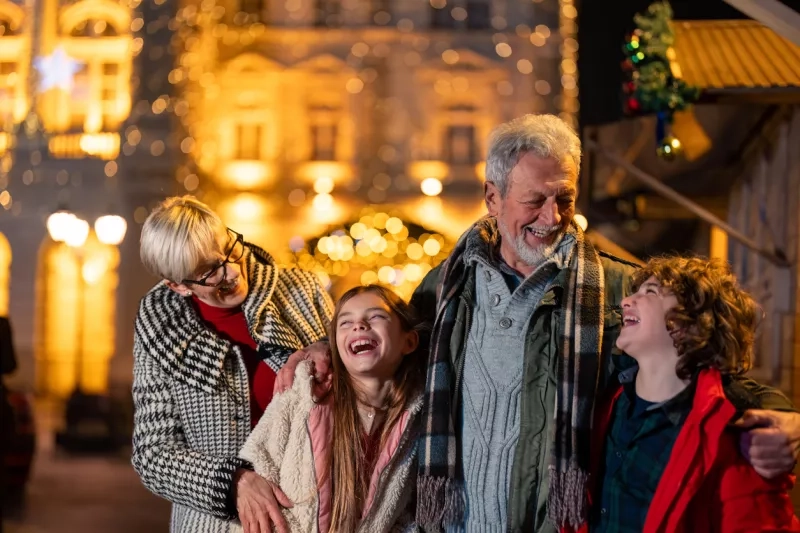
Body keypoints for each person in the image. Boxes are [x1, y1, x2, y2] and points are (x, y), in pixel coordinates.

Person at [405, 114, 800, 533]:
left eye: (565, 199)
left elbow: (706, 370)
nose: (552, 217)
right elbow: (394, 385)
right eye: (534, 200)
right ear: (493, 198)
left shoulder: (620, 288)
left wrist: (788, 418)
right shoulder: (443, 288)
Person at [131, 196, 332, 533]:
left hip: (318, 517)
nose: (232, 272)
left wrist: (324, 348)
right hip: (215, 525)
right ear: (178, 285)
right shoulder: (159, 328)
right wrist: (233, 483)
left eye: (229, 249)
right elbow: (152, 453)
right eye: (209, 271)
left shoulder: (301, 290)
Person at [584, 256, 799, 532]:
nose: (626, 301)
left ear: (692, 324)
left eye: (650, 292)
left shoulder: (731, 438)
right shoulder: (610, 399)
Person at [237, 285, 424, 532]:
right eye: (345, 323)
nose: (359, 326)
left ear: (409, 341)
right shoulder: (305, 392)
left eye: (376, 316)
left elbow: (408, 510)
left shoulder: (417, 418)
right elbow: (257, 458)